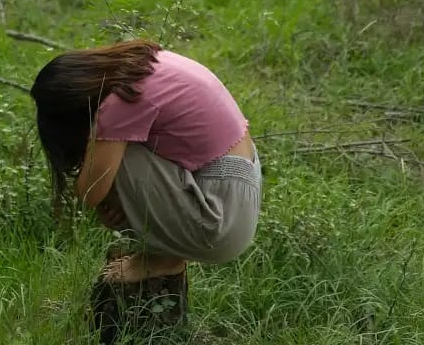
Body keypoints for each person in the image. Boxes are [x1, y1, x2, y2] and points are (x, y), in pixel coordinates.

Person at [30, 39, 262, 283]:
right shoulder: (144, 62)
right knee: (112, 154)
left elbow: (89, 192)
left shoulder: (121, 102)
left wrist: (106, 199)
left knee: (115, 157)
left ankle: (165, 261)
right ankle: (164, 251)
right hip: (236, 195)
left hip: (219, 225)